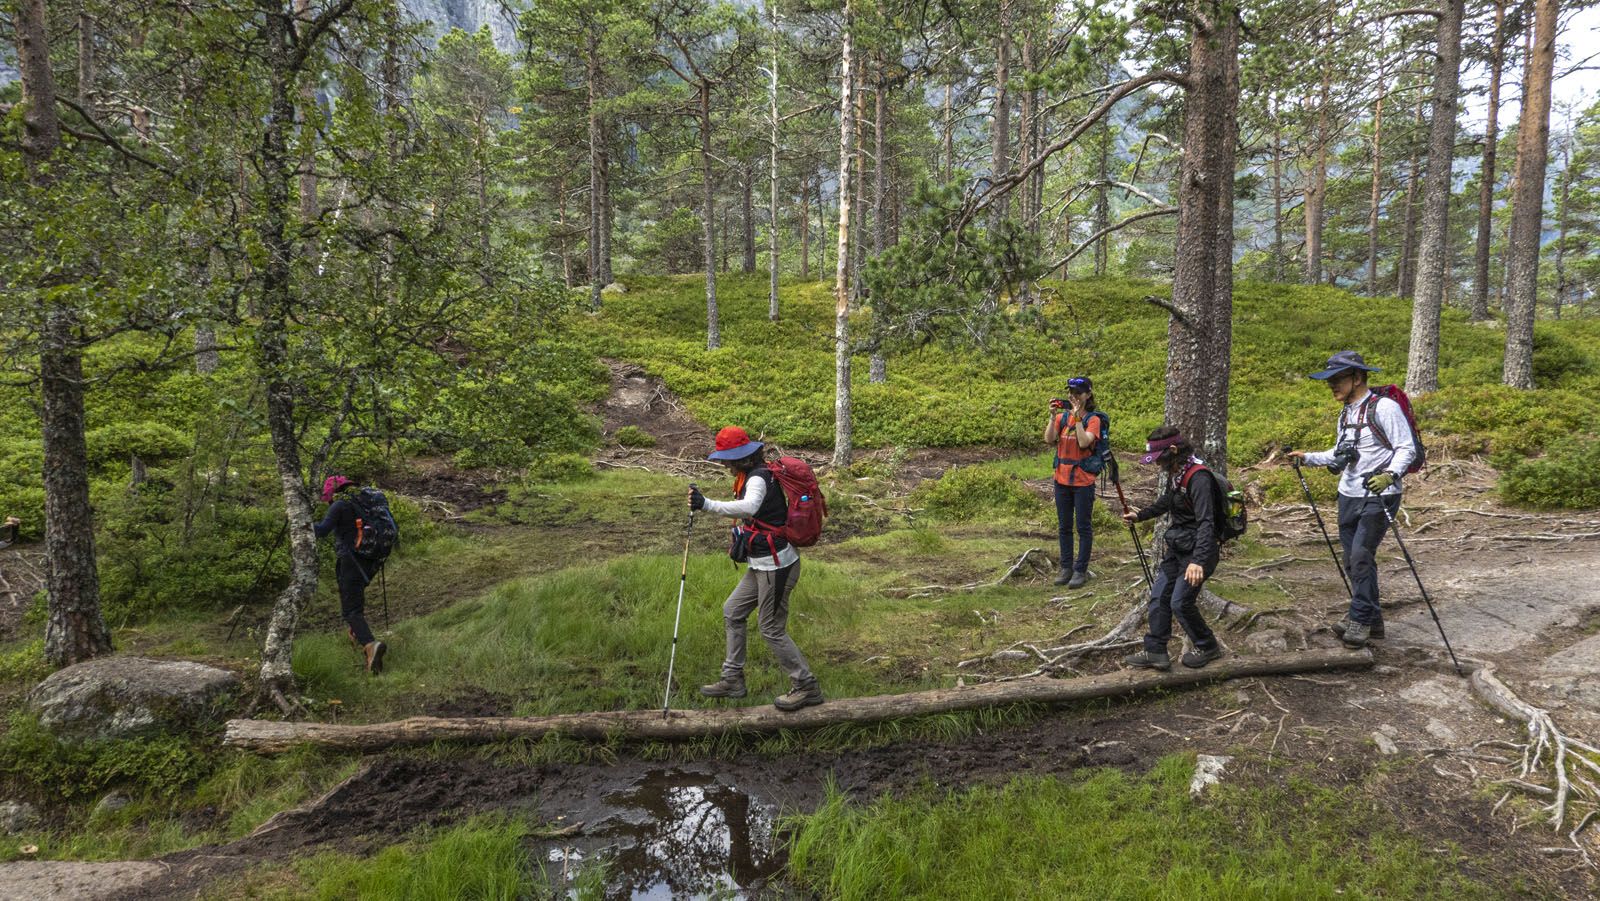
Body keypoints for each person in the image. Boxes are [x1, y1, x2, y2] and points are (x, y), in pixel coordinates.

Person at [1287, 351, 1417, 649]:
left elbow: (1405, 449)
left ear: (1358, 377)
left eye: (1337, 380)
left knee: (1360, 555)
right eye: (1329, 381)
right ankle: (1373, 620)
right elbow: (1340, 453)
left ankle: (1359, 619)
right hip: (1348, 494)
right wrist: (1307, 458)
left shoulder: (1384, 408)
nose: (1332, 385)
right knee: (1353, 559)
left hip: (1379, 494)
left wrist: (1390, 475)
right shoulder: (1346, 412)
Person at [688, 426, 823, 712]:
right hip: (761, 563)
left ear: (742, 458)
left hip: (777, 565)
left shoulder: (759, 478)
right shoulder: (750, 475)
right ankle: (732, 679)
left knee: (771, 628)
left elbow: (749, 508)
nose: (724, 463)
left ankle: (806, 686)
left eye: (727, 458)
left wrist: (706, 505)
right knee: (733, 611)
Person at [1120, 427, 1226, 671]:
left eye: (1160, 459)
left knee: (1180, 602)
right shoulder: (1177, 472)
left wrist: (1198, 561)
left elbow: (1206, 522)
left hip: (1199, 552)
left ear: (1174, 451)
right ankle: (1155, 651)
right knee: (1158, 597)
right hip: (1178, 548)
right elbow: (1168, 501)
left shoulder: (1198, 478)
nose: (1158, 465)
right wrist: (1141, 516)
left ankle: (1208, 646)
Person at [313, 475, 387, 674]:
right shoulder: (363, 503)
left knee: (350, 610)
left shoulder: (339, 506)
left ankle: (370, 645)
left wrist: (300, 522)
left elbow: (321, 531)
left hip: (351, 561)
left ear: (331, 492)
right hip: (370, 562)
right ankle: (358, 634)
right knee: (354, 600)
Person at [1043, 376, 1104, 588]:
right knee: (1064, 526)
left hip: (1082, 481)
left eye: (1078, 393)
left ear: (1088, 395)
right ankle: (1066, 567)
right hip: (1061, 479)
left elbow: (1084, 441)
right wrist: (1052, 417)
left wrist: (1078, 419)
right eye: (1071, 392)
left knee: (1083, 526)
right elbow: (1049, 439)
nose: (1073, 396)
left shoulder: (1093, 420)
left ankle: (1081, 569)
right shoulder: (1061, 418)